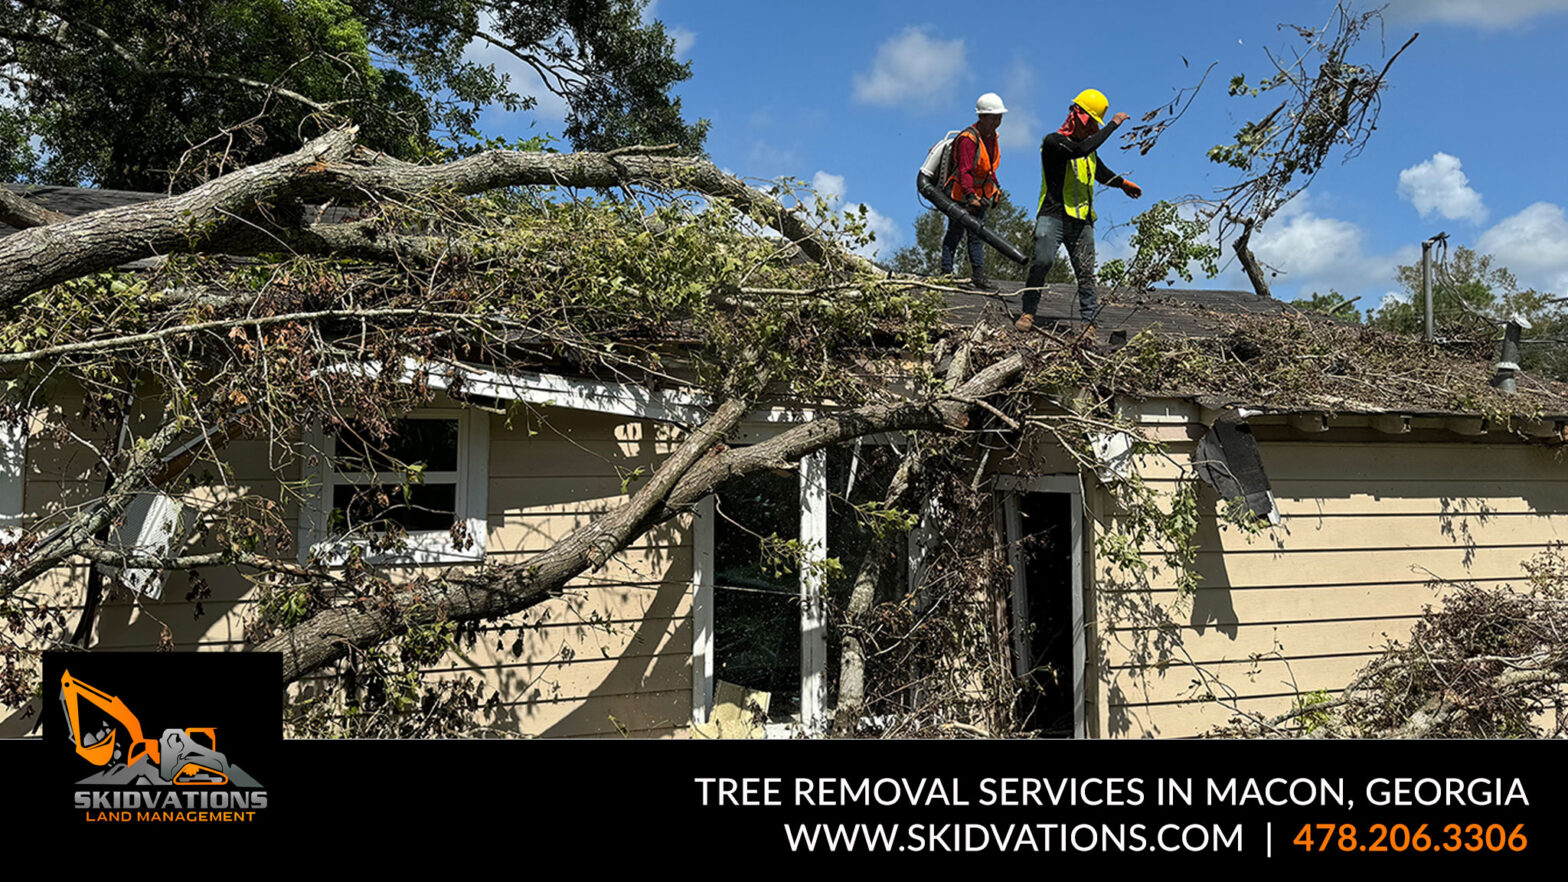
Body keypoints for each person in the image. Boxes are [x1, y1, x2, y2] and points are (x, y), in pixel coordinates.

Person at [1015, 88, 1142, 332]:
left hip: (1082, 220)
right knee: (1042, 262)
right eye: (1090, 125)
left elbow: (1100, 171)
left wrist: (1122, 183)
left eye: (1095, 127)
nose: (1090, 131)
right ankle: (1028, 312)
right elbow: (1079, 150)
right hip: (1052, 215)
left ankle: (1088, 324)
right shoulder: (1054, 142)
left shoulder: (1088, 148)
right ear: (1076, 117)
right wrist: (1113, 125)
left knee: (1086, 273)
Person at [941, 92, 1007, 291]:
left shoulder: (992, 137)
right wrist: (970, 196)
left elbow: (989, 167)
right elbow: (965, 170)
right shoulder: (968, 139)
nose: (998, 121)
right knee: (955, 233)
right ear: (982, 117)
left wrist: (995, 188)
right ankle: (946, 274)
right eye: (994, 117)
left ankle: (978, 276)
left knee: (976, 236)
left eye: (999, 117)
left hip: (979, 194)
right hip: (961, 194)